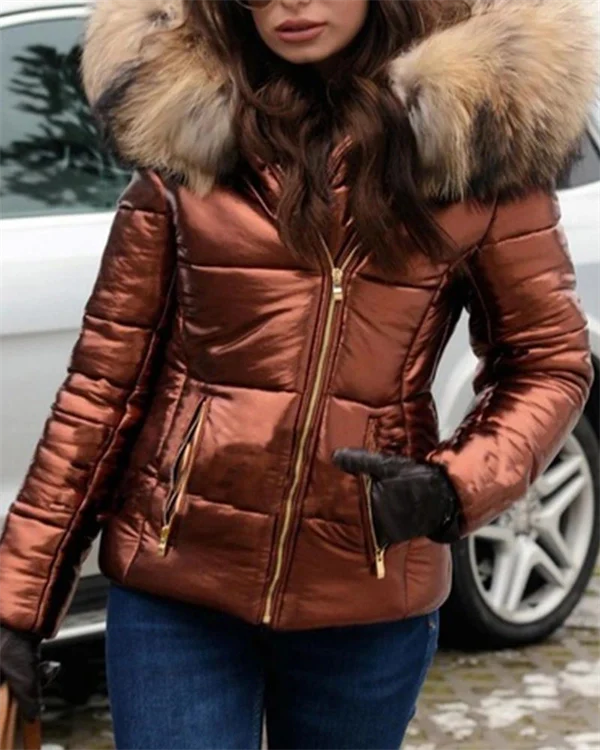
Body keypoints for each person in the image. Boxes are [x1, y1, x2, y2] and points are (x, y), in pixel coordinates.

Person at [0, 0, 597, 747]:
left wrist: (454, 488)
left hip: (368, 593)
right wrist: (18, 603)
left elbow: (548, 361)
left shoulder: (472, 148)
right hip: (176, 585)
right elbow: (101, 388)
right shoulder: (189, 138)